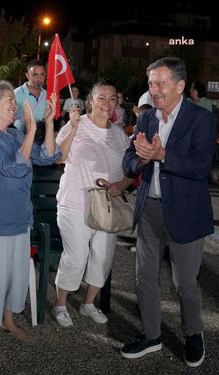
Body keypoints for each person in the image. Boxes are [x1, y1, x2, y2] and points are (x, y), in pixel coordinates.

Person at [120, 57, 216, 368]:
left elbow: (202, 166)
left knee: (185, 281)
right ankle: (151, 335)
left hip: (187, 211)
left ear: (179, 85)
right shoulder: (147, 119)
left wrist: (163, 154)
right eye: (150, 83)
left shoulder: (201, 119)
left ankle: (193, 334)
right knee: (144, 277)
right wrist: (144, 160)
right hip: (149, 209)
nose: (153, 89)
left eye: (160, 83)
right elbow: (129, 161)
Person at [0, 81, 60, 361]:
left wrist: (47, 124)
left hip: (20, 219)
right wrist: (31, 129)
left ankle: (8, 320)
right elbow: (12, 168)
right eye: (9, 100)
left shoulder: (12, 136)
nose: (14, 105)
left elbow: (47, 156)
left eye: (14, 99)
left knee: (15, 275)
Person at [52, 79, 134, 327]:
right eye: (101, 98)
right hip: (75, 202)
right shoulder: (76, 124)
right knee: (76, 257)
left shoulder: (119, 134)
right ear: (90, 101)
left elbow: (131, 169)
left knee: (103, 257)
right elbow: (58, 158)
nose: (107, 104)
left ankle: (88, 303)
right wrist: (74, 126)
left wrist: (121, 184)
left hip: (107, 207)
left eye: (112, 98)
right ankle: (60, 304)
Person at [13, 60, 47, 132]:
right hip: (20, 137)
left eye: (42, 74)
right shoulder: (15, 94)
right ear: (27, 75)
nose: (39, 78)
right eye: (35, 75)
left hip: (41, 137)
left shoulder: (47, 95)